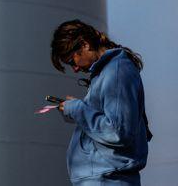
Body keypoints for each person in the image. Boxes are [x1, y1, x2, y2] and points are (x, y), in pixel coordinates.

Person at [50, 19, 151, 186]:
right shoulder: (107, 72)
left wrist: (77, 109)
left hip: (108, 180)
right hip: (103, 178)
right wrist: (76, 111)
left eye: (71, 61)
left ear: (84, 44)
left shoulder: (117, 72)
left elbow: (118, 132)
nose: (74, 69)